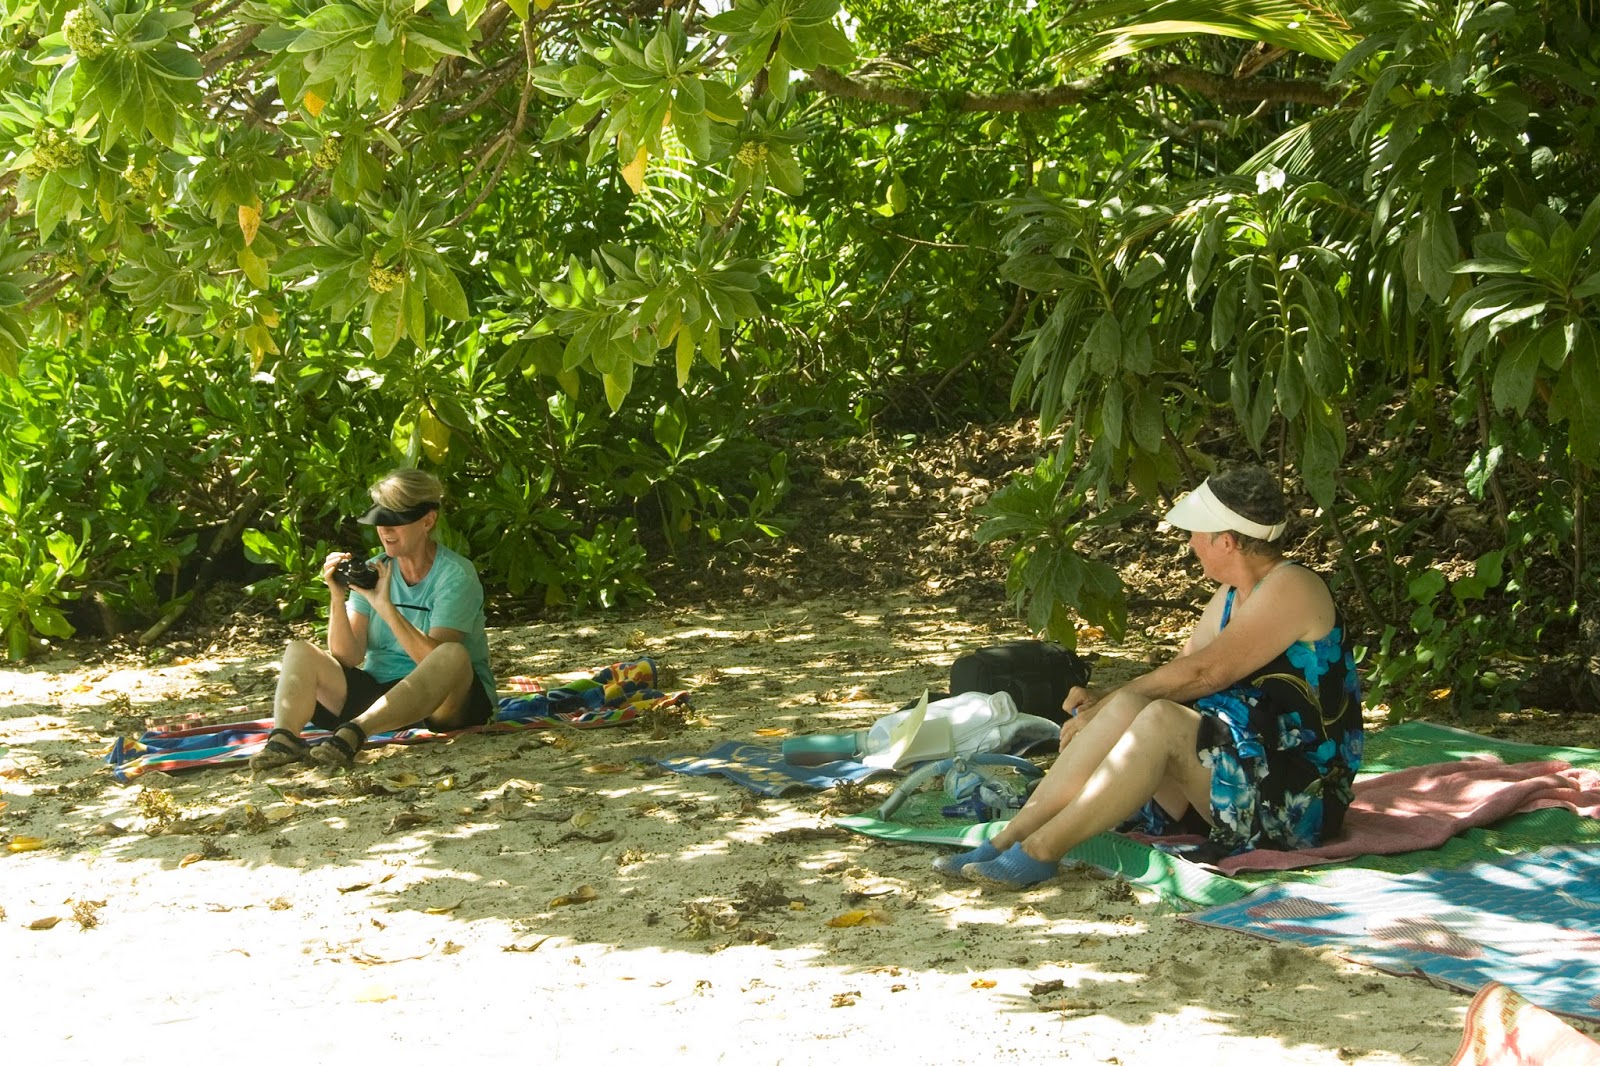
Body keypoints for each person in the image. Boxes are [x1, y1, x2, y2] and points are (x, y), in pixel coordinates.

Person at [934, 463, 1363, 888]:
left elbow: (1205, 674)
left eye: (1197, 533)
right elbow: (1178, 672)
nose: (1191, 543)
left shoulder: (1294, 586)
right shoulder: (1231, 595)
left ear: (1227, 541)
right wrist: (1107, 700)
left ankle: (1040, 851)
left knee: (1158, 717)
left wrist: (1104, 705)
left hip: (1299, 799)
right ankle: (1007, 839)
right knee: (1132, 705)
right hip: (1239, 774)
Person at [249, 468, 497, 771]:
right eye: (381, 520)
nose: (385, 530)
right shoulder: (373, 569)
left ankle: (355, 733)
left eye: (395, 521)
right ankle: (284, 739)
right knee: (299, 650)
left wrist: (385, 606)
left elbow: (434, 660)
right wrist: (337, 596)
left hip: (444, 703)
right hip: (380, 695)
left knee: (452, 654)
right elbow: (347, 656)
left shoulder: (455, 575)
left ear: (427, 521)